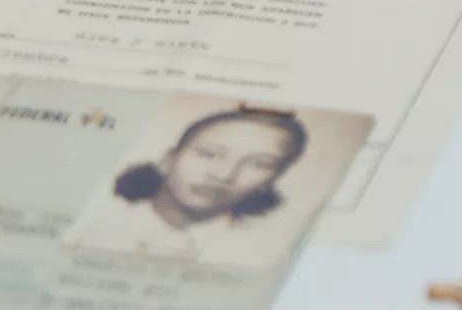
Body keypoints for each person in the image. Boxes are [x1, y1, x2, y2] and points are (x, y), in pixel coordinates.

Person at [101, 107, 310, 259]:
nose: (224, 175)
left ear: (273, 178)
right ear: (169, 158)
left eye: (258, 164)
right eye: (209, 154)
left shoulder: (265, 252)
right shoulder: (102, 221)